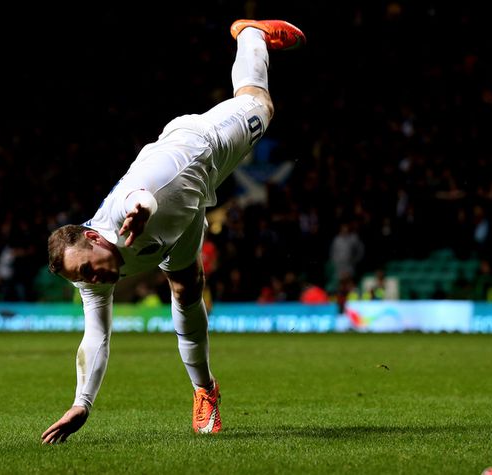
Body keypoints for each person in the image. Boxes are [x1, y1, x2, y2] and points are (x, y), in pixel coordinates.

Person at [42, 19, 306, 444]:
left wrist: (142, 213)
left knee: (260, 104)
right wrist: (81, 403)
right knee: (185, 289)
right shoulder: (86, 268)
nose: (93, 280)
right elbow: (97, 335)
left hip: (202, 147)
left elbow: (139, 197)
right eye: (83, 279)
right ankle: (206, 390)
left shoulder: (124, 213)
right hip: (182, 219)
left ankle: (251, 33)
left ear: (94, 238)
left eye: (89, 271)